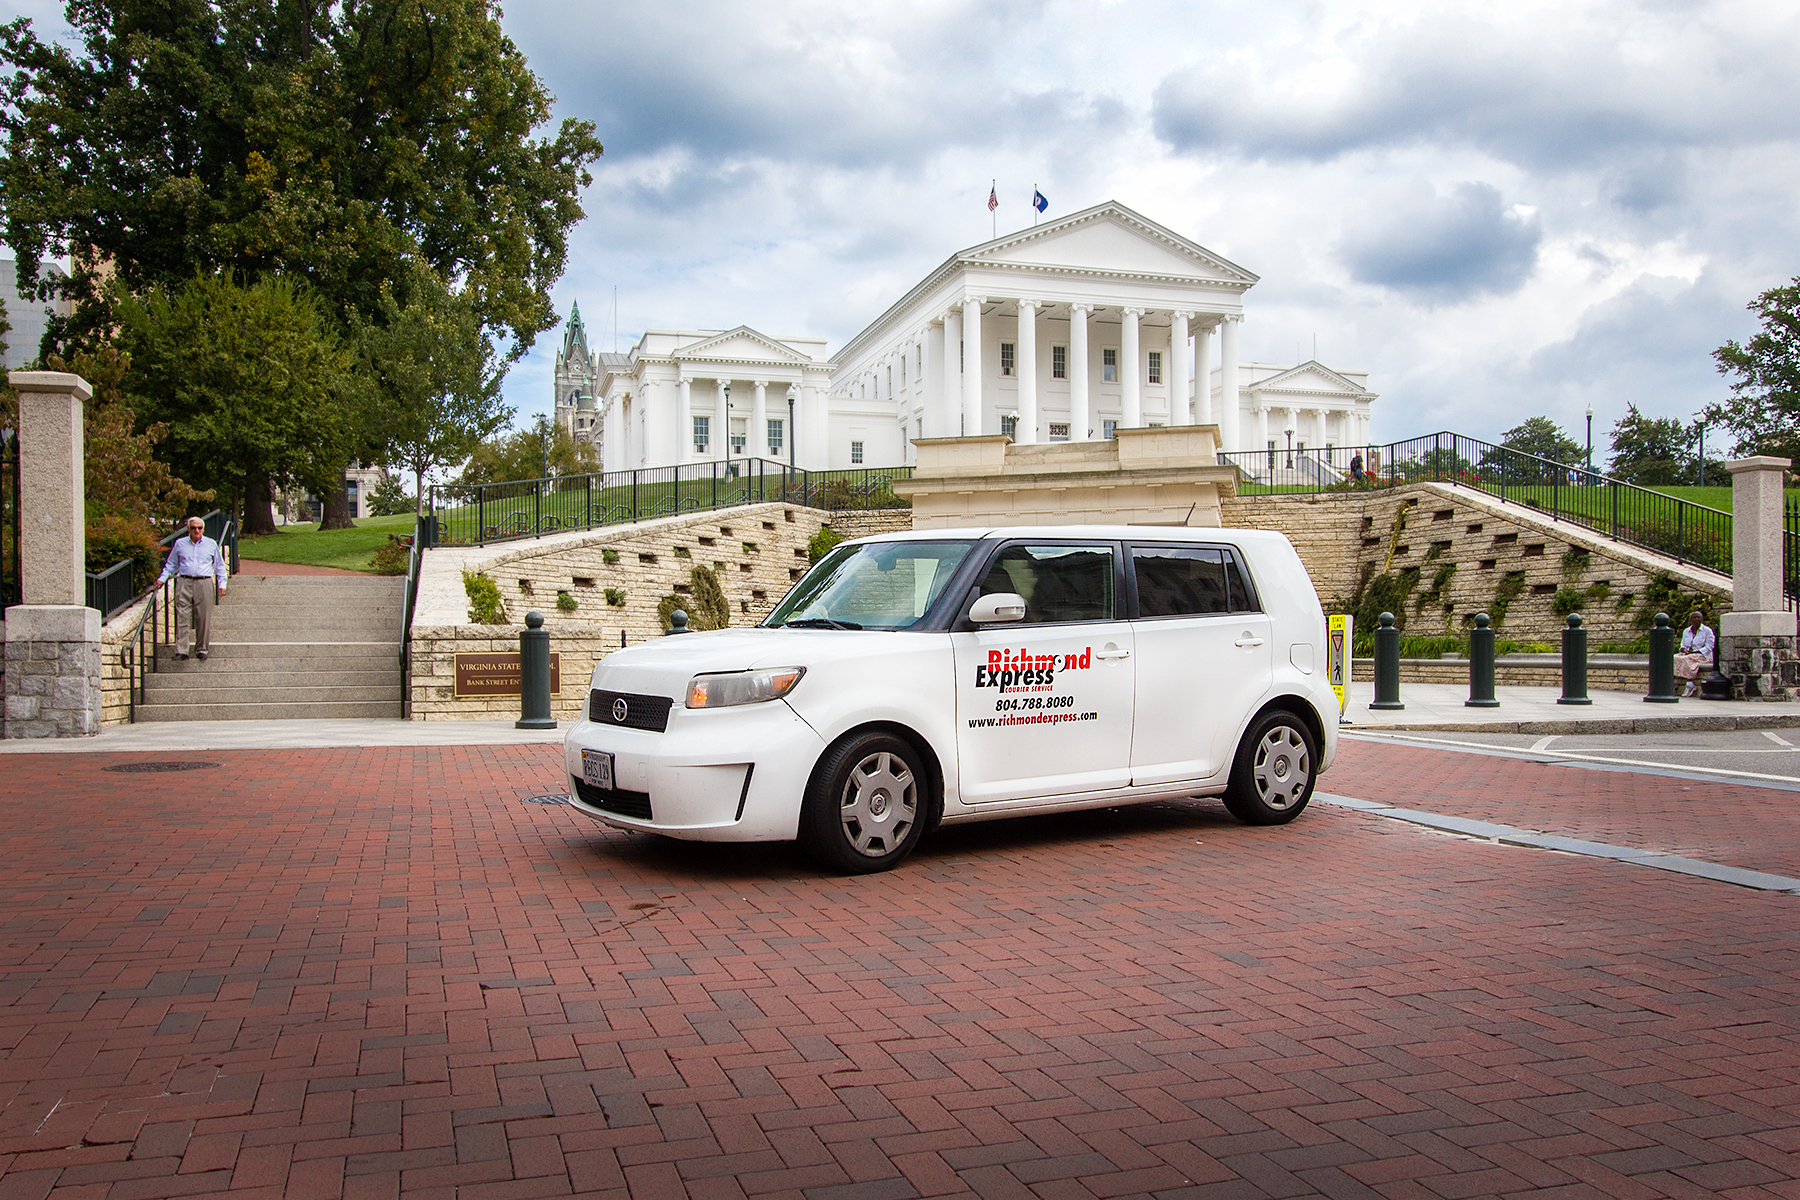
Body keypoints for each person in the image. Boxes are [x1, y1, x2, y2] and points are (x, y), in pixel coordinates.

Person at [156, 517, 228, 661]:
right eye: (194, 528)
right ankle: (182, 650)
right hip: (184, 581)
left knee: (203, 617)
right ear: (188, 529)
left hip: (204, 582)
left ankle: (201, 649)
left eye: (199, 528)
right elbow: (171, 564)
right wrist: (162, 578)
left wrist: (222, 583)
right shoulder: (180, 544)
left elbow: (219, 565)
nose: (197, 531)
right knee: (182, 615)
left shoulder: (211, 544)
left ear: (203, 529)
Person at [1674, 610, 1715, 697]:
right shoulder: (1686, 631)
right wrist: (1684, 650)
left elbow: (1709, 647)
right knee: (1674, 658)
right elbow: (1683, 645)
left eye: (1698, 617)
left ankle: (1689, 684)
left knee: (1686, 660)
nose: (1696, 619)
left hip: (1702, 655)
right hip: (1688, 654)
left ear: (1702, 619)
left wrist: (1695, 652)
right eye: (1694, 617)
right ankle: (1674, 681)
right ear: (1690, 620)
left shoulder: (1707, 631)